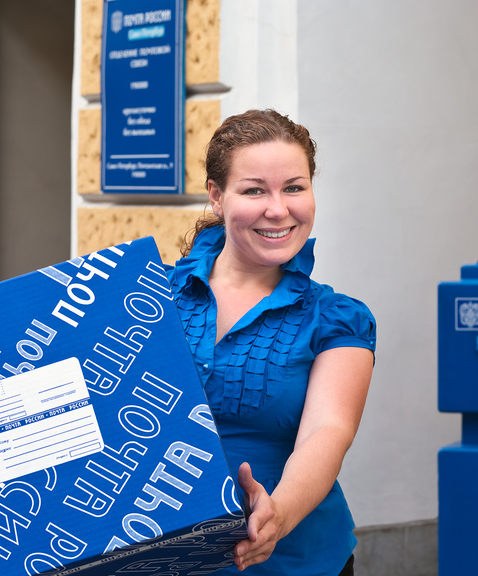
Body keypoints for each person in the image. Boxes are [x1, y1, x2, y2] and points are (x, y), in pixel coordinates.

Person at [166, 109, 376, 575]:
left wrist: (275, 515)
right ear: (218, 197)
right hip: (158, 560)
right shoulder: (148, 297)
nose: (278, 209)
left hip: (292, 562)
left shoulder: (337, 318)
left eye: (294, 188)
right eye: (255, 189)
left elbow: (328, 432)